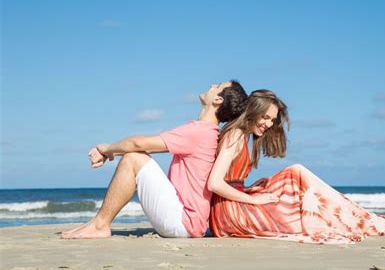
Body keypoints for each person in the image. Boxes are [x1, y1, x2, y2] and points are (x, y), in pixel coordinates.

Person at [208, 90, 385, 244]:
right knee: (295, 174)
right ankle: (381, 224)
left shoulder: (241, 135)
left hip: (231, 206)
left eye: (272, 120)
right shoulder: (235, 135)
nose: (270, 124)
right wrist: (253, 198)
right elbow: (215, 183)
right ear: (253, 111)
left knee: (295, 183)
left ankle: (376, 222)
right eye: (266, 117)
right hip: (229, 213)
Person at [61, 81, 248, 239]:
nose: (212, 85)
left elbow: (138, 143)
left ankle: (100, 225)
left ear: (217, 100)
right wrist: (110, 153)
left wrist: (108, 149)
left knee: (133, 158)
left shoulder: (199, 131)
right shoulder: (207, 133)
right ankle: (97, 224)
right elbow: (146, 146)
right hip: (188, 223)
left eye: (217, 86)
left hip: (182, 222)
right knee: (135, 156)